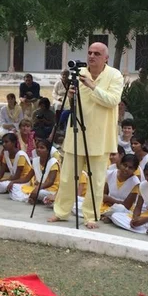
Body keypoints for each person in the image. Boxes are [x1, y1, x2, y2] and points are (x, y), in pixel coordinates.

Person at [48, 43, 124, 229]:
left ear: (106, 57)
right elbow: (70, 106)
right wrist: (72, 96)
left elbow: (112, 101)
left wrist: (91, 86)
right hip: (77, 133)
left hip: (101, 136)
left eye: (97, 54)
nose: (92, 56)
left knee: (96, 180)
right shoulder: (79, 72)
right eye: (89, 53)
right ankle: (61, 212)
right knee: (67, 177)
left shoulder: (115, 75)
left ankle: (90, 216)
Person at [11, 138, 60, 204]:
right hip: (37, 188)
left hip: (50, 190)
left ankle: (43, 198)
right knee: (15, 187)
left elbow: (50, 182)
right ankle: (35, 198)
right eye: (37, 147)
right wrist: (13, 182)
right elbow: (27, 179)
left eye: (42, 148)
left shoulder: (53, 163)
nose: (38, 150)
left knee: (40, 193)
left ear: (48, 151)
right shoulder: (36, 161)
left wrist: (37, 188)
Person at [100, 154, 140, 220]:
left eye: (130, 168)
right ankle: (107, 216)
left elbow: (126, 206)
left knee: (119, 208)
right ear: (120, 164)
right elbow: (103, 196)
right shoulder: (110, 174)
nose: (126, 169)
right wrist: (107, 199)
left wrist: (109, 199)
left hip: (122, 211)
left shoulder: (135, 182)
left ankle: (107, 216)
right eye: (125, 165)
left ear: (135, 170)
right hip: (106, 206)